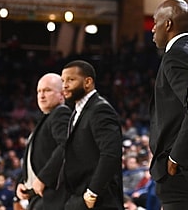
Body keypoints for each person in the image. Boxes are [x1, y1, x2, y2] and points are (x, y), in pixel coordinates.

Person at [149, 0, 188, 209]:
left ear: (168, 24)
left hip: (183, 172)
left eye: (156, 22)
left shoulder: (176, 54)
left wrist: (177, 157)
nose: (153, 29)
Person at [60, 60, 124, 210]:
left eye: (71, 80)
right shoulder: (77, 111)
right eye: (63, 80)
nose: (65, 85)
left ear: (88, 82)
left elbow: (111, 154)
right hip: (79, 198)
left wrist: (92, 194)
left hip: (100, 201)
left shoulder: (100, 109)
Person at [15, 73, 71, 209]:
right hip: (38, 198)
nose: (41, 95)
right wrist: (22, 182)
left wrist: (43, 179)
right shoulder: (47, 118)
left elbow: (66, 146)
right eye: (39, 91)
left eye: (47, 90)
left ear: (62, 94)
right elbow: (35, 158)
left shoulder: (61, 112)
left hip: (52, 198)